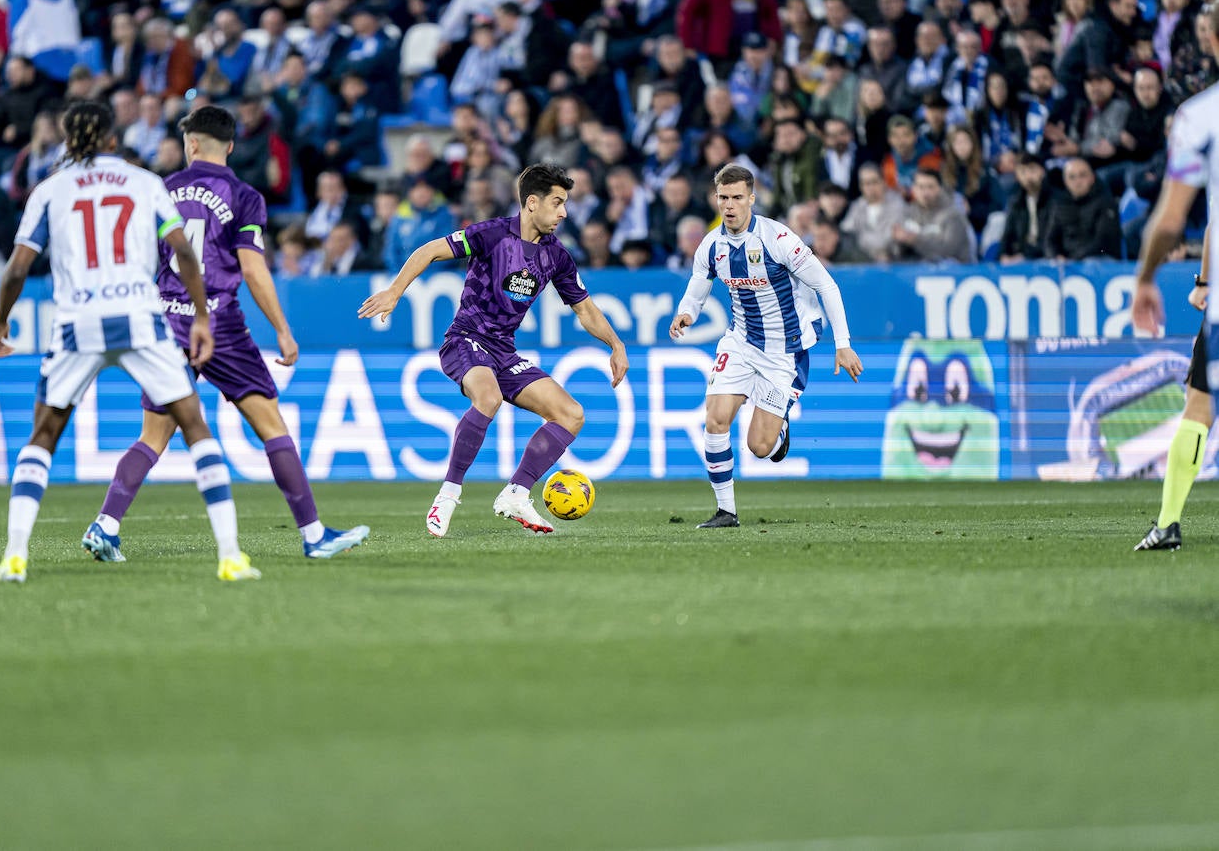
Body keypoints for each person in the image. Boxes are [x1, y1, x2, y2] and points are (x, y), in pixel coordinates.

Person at [0, 101, 260, 584]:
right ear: (113, 140)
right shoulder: (145, 182)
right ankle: (231, 555)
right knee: (194, 425)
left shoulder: (50, 189)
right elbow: (184, 253)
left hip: (78, 322)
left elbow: (16, 269)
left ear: (69, 141)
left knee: (44, 436)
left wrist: (1, 321)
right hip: (139, 318)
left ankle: (14, 554)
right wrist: (200, 316)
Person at [83, 105, 369, 564]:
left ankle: (106, 524)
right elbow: (253, 269)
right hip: (220, 325)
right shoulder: (243, 196)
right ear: (231, 146)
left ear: (190, 144)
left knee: (153, 436)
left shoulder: (161, 190)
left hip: (167, 323)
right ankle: (314, 534)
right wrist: (282, 330)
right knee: (271, 425)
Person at [358, 163, 629, 537]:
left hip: (504, 351)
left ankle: (516, 493)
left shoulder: (556, 256)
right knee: (488, 397)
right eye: (557, 202)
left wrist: (615, 344)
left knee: (571, 414)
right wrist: (394, 291)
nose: (564, 212)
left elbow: (585, 309)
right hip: (465, 339)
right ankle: (448, 495)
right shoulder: (492, 234)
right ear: (532, 203)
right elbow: (429, 251)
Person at [668, 164, 863, 528]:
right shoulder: (712, 244)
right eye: (723, 198)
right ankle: (727, 512)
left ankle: (780, 432)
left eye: (737, 198)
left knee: (760, 448)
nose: (729, 206)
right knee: (715, 419)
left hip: (785, 352)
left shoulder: (779, 239)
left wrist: (843, 344)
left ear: (751, 199)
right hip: (741, 340)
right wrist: (686, 312)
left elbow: (827, 286)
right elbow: (699, 282)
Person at [1133, 3, 1219, 551]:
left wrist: (1146, 278)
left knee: (1200, 405)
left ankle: (1167, 524)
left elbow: (1173, 221)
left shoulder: (1200, 116)